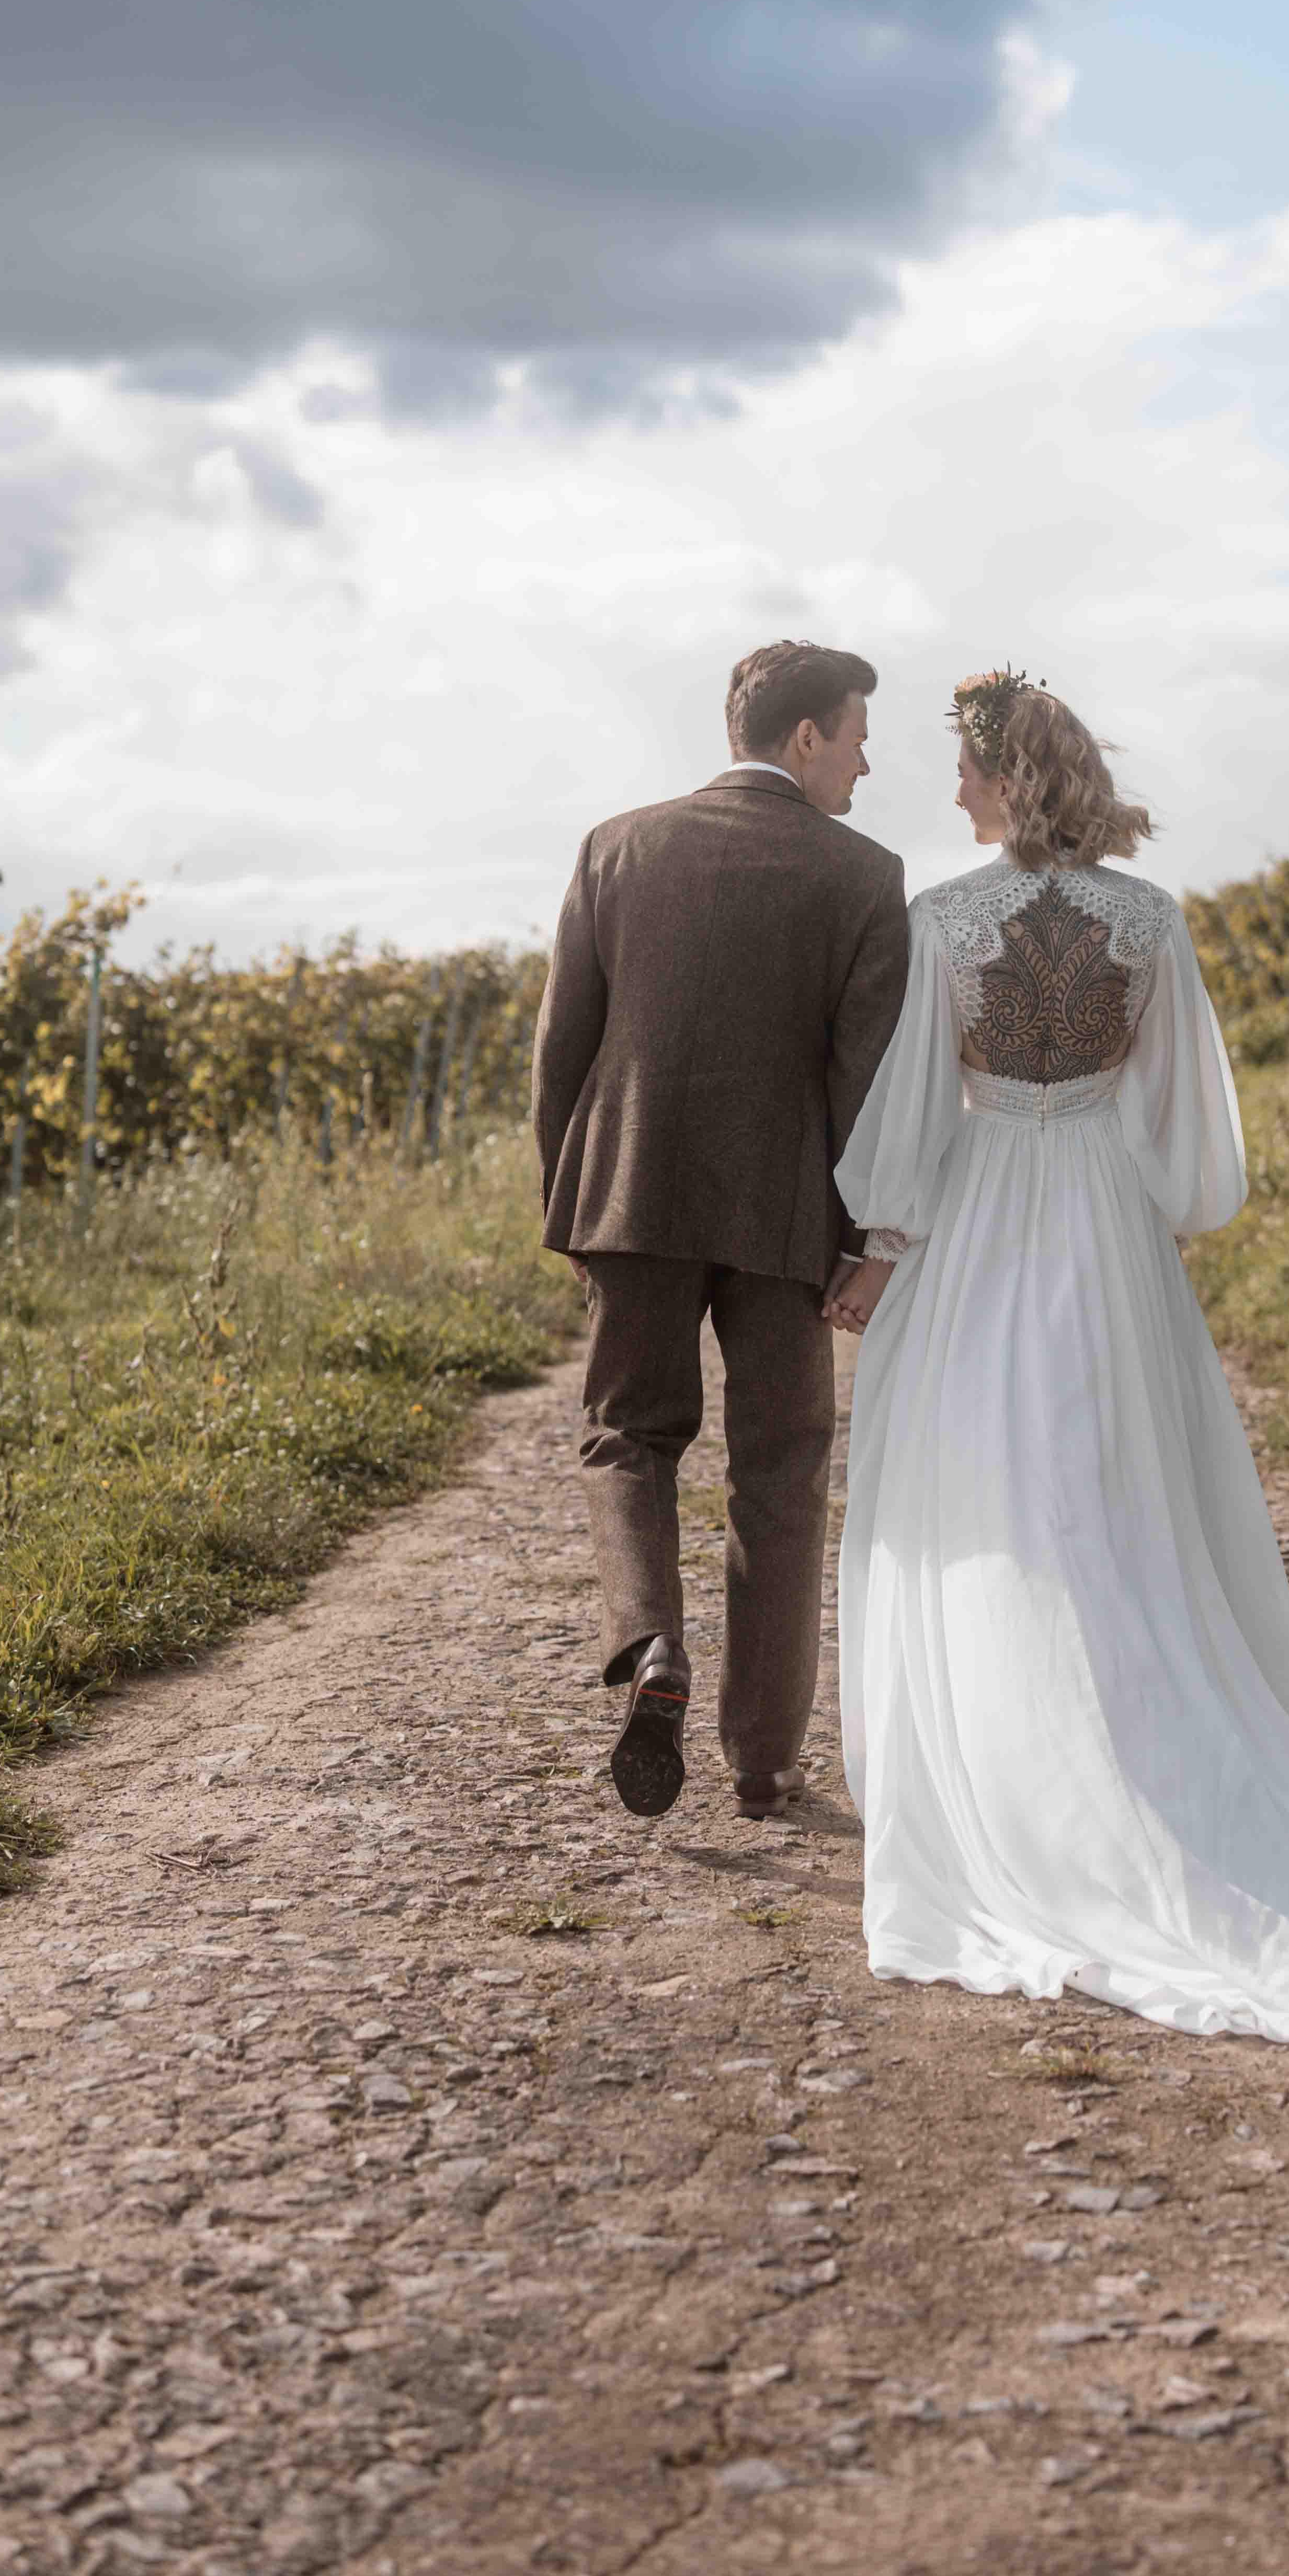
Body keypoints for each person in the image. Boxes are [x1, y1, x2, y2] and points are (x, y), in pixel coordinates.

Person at [824, 670, 1289, 2048]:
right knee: (1115, 1489)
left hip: (986, 1210)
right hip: (1106, 1216)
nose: (952, 792)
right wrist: (1137, 1192)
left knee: (987, 1487)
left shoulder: (946, 920)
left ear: (1005, 778)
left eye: (965, 770)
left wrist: (882, 1241)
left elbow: (921, 1110)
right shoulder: (1151, 922)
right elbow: (1186, 1135)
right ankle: (1151, 1730)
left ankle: (1029, 1775)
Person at [532, 639, 909, 1823]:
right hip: (784, 1211)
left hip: (630, 1197)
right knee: (780, 1473)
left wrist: (575, 1205)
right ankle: (763, 1758)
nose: (866, 759)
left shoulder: (616, 845)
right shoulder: (863, 874)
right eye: (855, 734)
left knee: (626, 1441)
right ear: (805, 738)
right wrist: (864, 1241)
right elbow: (868, 1080)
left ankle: (650, 1650)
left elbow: (565, 1049)